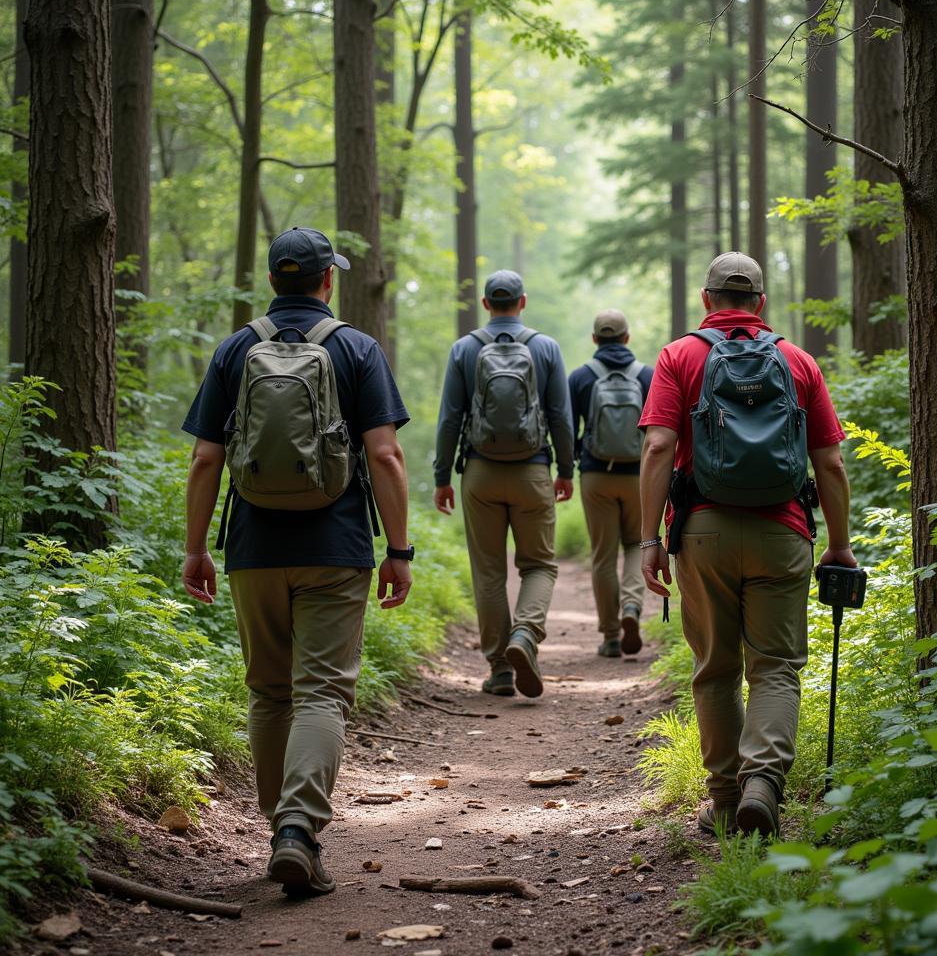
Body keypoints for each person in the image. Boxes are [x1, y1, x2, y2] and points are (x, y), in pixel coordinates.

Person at [181, 226, 413, 897]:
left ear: (272, 280)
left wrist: (196, 549)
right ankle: (297, 830)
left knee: (269, 691)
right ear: (326, 280)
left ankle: (277, 829)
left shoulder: (235, 349)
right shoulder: (356, 349)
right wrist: (398, 551)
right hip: (336, 548)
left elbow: (205, 458)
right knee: (322, 692)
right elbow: (386, 455)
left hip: (253, 546)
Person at [638, 251, 855, 838]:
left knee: (714, 669)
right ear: (760, 302)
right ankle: (765, 783)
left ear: (707, 300)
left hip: (704, 530)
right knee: (776, 667)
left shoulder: (679, 356)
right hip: (783, 533)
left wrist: (649, 538)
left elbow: (659, 448)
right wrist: (839, 544)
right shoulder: (797, 360)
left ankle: (728, 801)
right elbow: (829, 462)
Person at [433, 270, 575, 699]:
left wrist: (443, 477)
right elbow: (561, 417)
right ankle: (526, 636)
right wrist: (566, 469)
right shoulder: (545, 347)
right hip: (532, 470)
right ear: (522, 302)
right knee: (538, 564)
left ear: (485, 303)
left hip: (480, 472)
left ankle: (499, 670)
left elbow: (449, 419)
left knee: (489, 571)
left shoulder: (465, 349)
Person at [568, 309, 654, 657]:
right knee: (636, 544)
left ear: (594, 340)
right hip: (638, 475)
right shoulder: (648, 375)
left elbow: (567, 427)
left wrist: (572, 461)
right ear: (627, 338)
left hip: (596, 473)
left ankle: (611, 636)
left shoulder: (580, 377)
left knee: (603, 555)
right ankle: (632, 607)